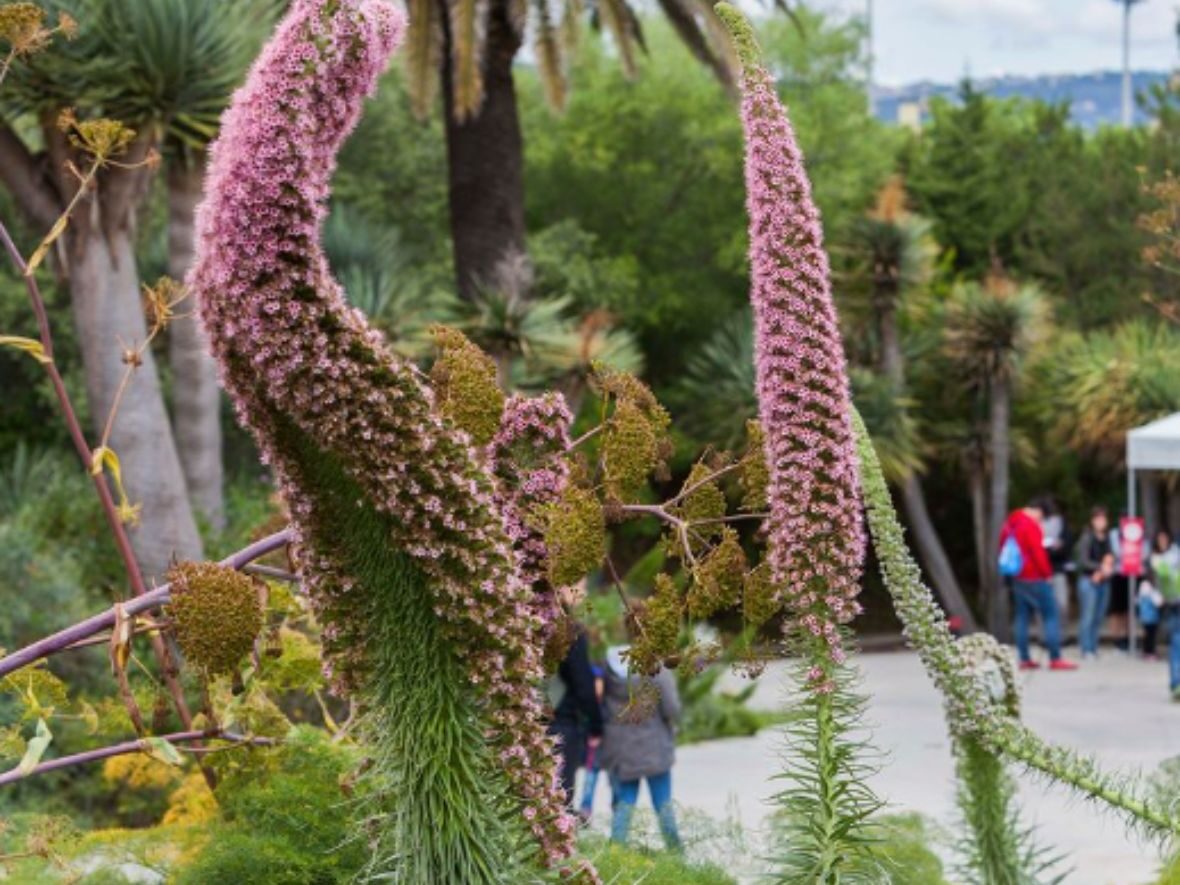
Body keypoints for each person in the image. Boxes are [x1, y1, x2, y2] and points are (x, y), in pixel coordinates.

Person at [600, 646, 682, 850]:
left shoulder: (607, 670)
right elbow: (672, 707)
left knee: (625, 804)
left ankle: (615, 851)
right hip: (654, 746)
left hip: (621, 749)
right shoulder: (655, 669)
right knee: (663, 805)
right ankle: (676, 853)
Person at [999, 498, 1076, 671]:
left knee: (1022, 616)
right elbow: (1038, 553)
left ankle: (1024, 658)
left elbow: (1003, 546)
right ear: (1038, 510)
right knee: (1051, 614)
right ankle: (1055, 657)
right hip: (1034, 576)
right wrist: (1047, 574)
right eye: (1042, 516)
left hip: (1017, 576)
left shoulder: (1011, 522)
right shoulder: (1030, 525)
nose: (1041, 520)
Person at [547, 627, 603, 805]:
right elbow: (584, 685)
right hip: (562, 722)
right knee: (560, 796)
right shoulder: (570, 634)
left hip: (526, 722)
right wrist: (596, 726)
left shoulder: (529, 626)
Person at [1075, 507, 1115, 659]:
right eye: (1098, 519)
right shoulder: (1087, 537)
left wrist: (1106, 569)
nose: (1101, 522)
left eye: (1103, 519)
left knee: (1098, 616)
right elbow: (1083, 561)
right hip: (1089, 581)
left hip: (1104, 581)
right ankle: (1086, 649)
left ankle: (1093, 646)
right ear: (1092, 521)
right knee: (1088, 615)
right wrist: (1099, 568)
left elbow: (1111, 557)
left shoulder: (1107, 538)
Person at [1148, 530, 1180, 700]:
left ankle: (1176, 684)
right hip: (1173, 604)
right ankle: (1176, 684)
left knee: (1176, 643)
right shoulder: (1160, 558)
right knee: (1176, 643)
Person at [1042, 500, 1073, 627]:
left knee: (1062, 605)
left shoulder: (1063, 524)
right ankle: (1044, 636)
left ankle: (1061, 636)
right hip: (1043, 571)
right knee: (1043, 606)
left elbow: (1067, 545)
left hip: (1058, 569)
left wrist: (1057, 548)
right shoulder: (1038, 524)